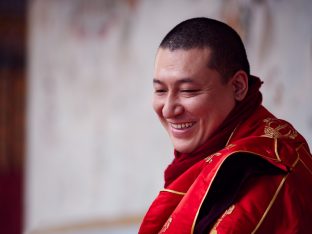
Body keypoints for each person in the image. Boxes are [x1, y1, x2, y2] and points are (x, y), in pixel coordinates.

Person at [138, 17, 312, 234]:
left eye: (188, 91)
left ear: (238, 87)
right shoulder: (208, 150)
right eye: (161, 91)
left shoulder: (262, 168)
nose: (168, 110)